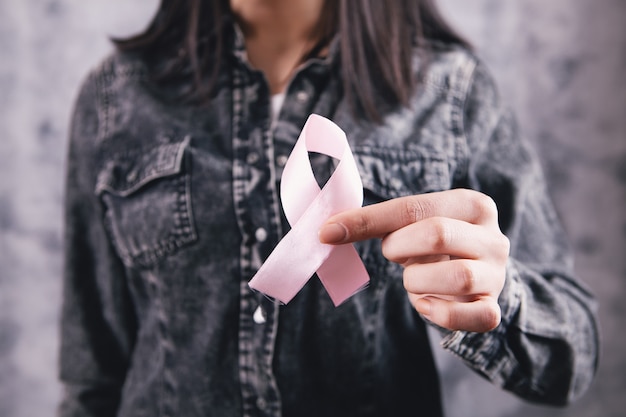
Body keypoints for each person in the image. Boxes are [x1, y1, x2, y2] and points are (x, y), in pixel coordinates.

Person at [58, 0, 599, 415]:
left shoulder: (451, 92)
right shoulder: (116, 99)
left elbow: (571, 361)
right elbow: (93, 376)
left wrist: (494, 294)